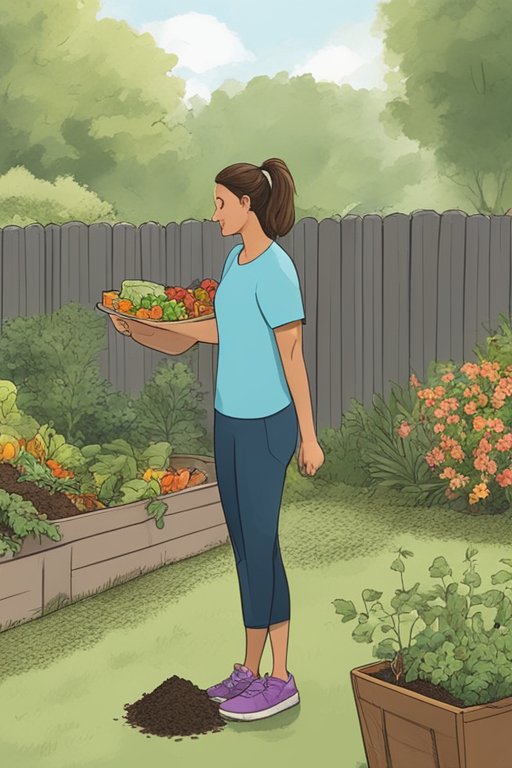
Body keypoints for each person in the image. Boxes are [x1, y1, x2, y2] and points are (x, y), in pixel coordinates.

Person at [110, 158, 324, 722]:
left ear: (248, 205)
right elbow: (215, 331)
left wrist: (309, 435)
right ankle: (249, 670)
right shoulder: (234, 261)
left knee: (262, 544)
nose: (214, 214)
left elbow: (293, 354)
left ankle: (280, 677)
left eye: (221, 203)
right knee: (245, 546)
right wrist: (142, 328)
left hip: (268, 425)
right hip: (230, 421)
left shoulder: (277, 270)